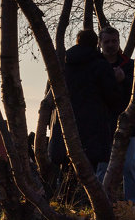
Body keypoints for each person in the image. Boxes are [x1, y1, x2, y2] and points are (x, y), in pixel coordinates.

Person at [49, 29, 123, 187]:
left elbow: (50, 93)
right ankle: (86, 204)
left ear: (77, 42)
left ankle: (65, 201)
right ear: (97, 43)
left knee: (66, 169)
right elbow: (113, 97)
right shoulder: (100, 65)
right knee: (89, 173)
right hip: (93, 127)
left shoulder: (61, 64)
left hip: (63, 124)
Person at [100, 26, 135, 202]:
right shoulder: (96, 65)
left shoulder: (129, 65)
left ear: (119, 42)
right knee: (102, 165)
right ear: (100, 43)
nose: (110, 45)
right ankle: (101, 203)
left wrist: (124, 80)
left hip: (127, 123)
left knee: (129, 165)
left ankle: (133, 203)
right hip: (100, 123)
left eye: (114, 41)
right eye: (106, 41)